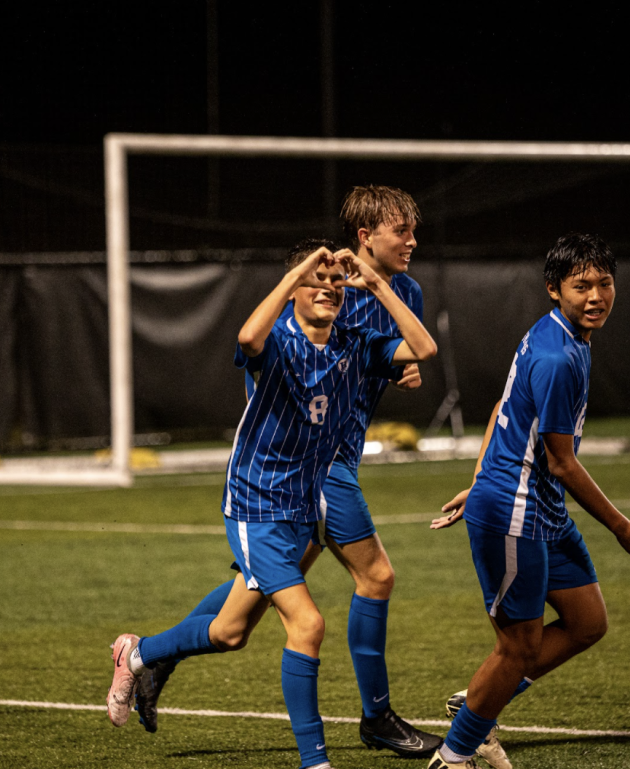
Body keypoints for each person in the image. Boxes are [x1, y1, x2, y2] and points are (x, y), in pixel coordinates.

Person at [132, 186, 445, 758]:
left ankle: (152, 655)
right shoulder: (328, 289)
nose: (411, 241)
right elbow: (269, 344)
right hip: (312, 465)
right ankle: (374, 720)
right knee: (373, 578)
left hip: (338, 453)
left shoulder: (407, 293)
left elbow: (405, 357)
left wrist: (404, 374)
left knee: (240, 612)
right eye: (400, 230)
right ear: (364, 236)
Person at [427, 233, 630, 769]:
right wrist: (622, 526)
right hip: (515, 513)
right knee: (519, 646)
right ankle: (456, 754)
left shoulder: (561, 335)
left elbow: (501, 406)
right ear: (553, 289)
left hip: (539, 507)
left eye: (604, 283)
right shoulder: (559, 355)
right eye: (581, 286)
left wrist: (482, 474)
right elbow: (561, 461)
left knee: (587, 622)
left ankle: (477, 708)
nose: (596, 296)